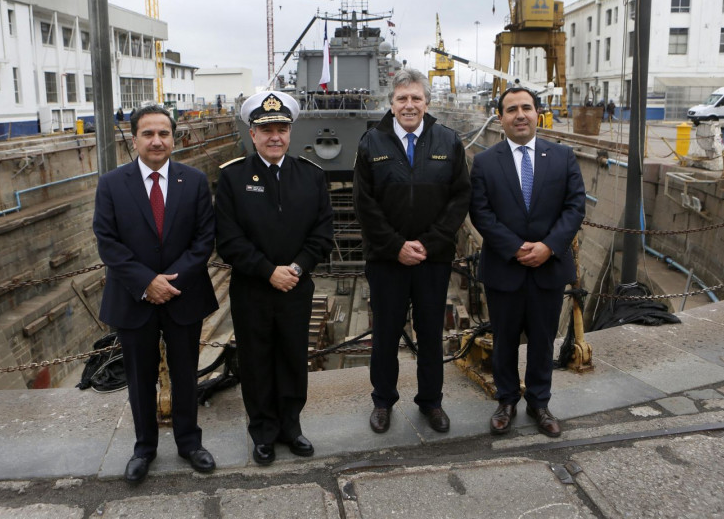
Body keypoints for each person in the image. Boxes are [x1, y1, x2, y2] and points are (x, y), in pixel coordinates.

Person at [92, 104, 219, 484]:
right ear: (134, 140)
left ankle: (189, 443)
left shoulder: (194, 181)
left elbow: (204, 239)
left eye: (164, 133)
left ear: (174, 138)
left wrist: (170, 281)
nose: (156, 140)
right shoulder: (112, 184)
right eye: (148, 133)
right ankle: (143, 448)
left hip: (184, 296)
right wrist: (147, 282)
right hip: (133, 298)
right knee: (139, 378)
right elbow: (107, 241)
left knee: (185, 376)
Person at [215, 91, 333, 465]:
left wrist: (295, 269)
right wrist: (268, 271)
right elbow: (229, 240)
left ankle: (291, 428)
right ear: (252, 134)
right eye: (266, 129)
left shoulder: (311, 176)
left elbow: (322, 234)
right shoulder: (233, 177)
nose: (274, 136)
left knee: (293, 358)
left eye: (281, 128)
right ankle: (263, 432)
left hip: (296, 288)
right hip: (252, 290)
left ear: (290, 132)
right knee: (256, 362)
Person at [353, 68, 471, 434]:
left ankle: (431, 402)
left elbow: (459, 198)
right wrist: (395, 246)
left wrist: (430, 243)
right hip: (387, 260)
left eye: (415, 98)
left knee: (431, 333)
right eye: (402, 99)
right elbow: (364, 203)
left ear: (427, 103)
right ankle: (383, 402)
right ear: (391, 103)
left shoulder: (448, 141)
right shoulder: (371, 143)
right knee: (385, 335)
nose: (409, 105)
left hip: (432, 260)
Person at [469, 87, 586, 438]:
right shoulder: (485, 162)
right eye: (511, 109)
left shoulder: (563, 156)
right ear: (500, 117)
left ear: (538, 113)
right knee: (504, 339)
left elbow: (575, 206)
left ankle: (539, 403)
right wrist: (517, 247)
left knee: (542, 339)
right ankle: (506, 401)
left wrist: (549, 246)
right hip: (505, 268)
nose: (520, 115)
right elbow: (481, 212)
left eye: (526, 108)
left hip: (548, 268)